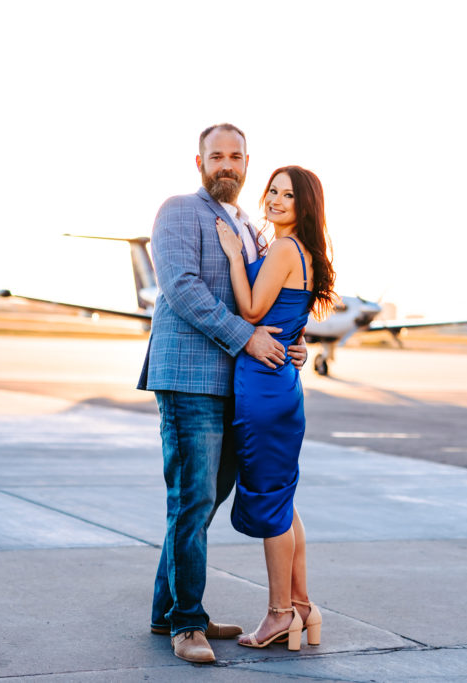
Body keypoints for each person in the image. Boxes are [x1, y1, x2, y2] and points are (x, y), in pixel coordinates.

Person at [137, 123, 307, 664]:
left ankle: (172, 610)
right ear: (200, 162)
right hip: (189, 379)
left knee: (201, 506)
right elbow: (182, 288)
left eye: (236, 156)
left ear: (247, 162)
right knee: (191, 503)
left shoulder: (251, 226)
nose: (226, 165)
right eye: (217, 156)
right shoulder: (179, 211)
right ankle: (187, 626)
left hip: (240, 385)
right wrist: (248, 337)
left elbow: (262, 299)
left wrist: (292, 343)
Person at [214, 165, 336, 651]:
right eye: (273, 190)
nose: (276, 199)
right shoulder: (302, 252)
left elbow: (250, 312)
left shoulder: (284, 249)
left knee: (269, 503)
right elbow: (292, 323)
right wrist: (297, 344)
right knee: (282, 503)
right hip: (281, 384)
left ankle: (279, 614)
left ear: (305, 206)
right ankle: (304, 608)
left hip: (264, 389)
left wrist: (229, 256)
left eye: (288, 195)